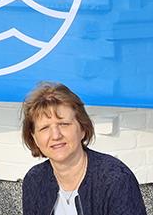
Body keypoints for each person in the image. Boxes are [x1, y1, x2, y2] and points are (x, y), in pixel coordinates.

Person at [20, 82, 146, 215]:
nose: (56, 135)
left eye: (64, 124)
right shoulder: (34, 180)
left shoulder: (116, 181)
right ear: (34, 137)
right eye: (45, 128)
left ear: (82, 129)